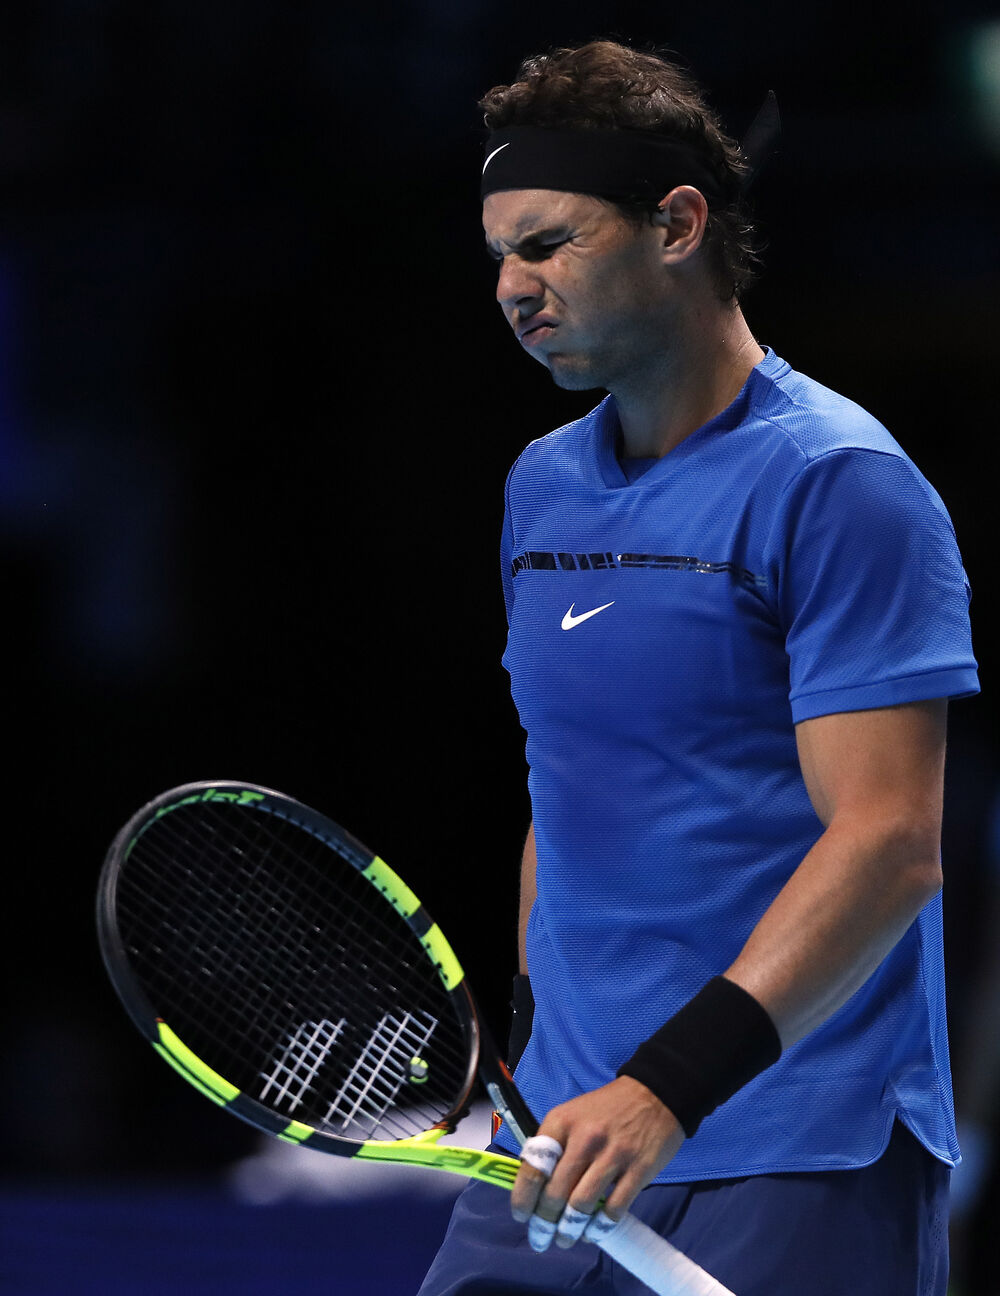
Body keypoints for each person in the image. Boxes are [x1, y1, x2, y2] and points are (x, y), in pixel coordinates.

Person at [418, 40, 979, 1295]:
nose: (511, 288)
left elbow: (891, 840)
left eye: (548, 244)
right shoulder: (541, 486)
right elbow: (568, 789)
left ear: (676, 226)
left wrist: (665, 1088)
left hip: (793, 1148)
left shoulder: (838, 483)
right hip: (563, 1142)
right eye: (499, 253)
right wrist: (544, 1051)